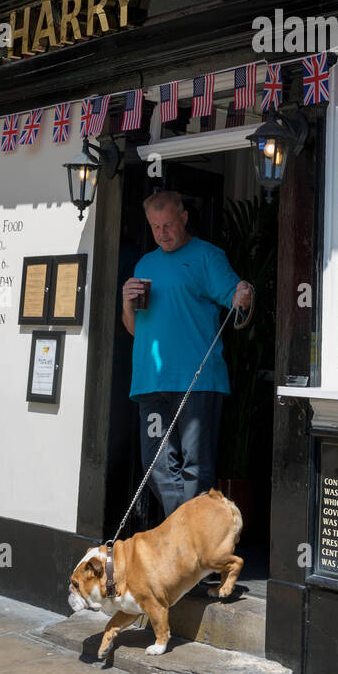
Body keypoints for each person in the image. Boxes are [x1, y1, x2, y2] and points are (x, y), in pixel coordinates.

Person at [121, 190, 252, 518]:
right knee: (157, 466)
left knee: (196, 470)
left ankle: (187, 552)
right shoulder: (145, 263)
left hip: (197, 381)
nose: (162, 233)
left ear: (184, 218)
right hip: (150, 384)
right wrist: (126, 303)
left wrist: (244, 296)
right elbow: (136, 328)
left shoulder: (208, 256)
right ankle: (188, 543)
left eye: (167, 225)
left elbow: (237, 303)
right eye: (155, 227)